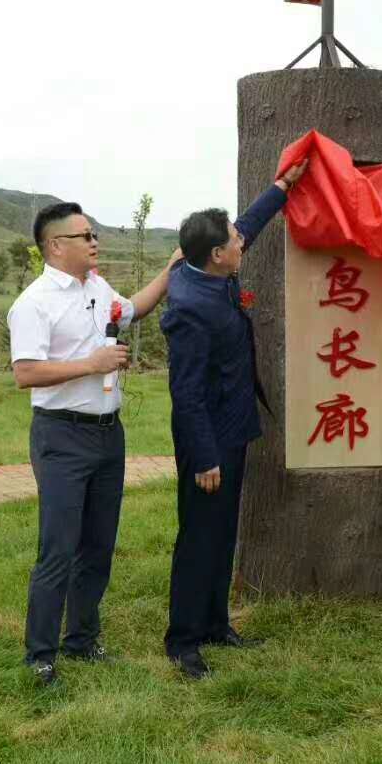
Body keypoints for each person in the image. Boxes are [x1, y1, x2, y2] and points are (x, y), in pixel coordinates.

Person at [9, 201, 181, 686]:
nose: (94, 242)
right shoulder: (34, 303)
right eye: (85, 236)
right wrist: (92, 364)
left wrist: (170, 270)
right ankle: (40, 656)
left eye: (94, 234)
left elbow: (134, 309)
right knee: (58, 548)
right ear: (55, 245)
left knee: (99, 545)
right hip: (61, 435)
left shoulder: (97, 288)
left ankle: (82, 641)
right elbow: (26, 373)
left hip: (108, 434)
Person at [160, 161, 308, 679]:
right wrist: (205, 457)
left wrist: (282, 187)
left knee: (223, 532)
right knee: (199, 537)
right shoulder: (189, 308)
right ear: (217, 255)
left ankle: (215, 624)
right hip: (208, 441)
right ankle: (182, 641)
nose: (241, 241)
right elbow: (186, 393)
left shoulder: (209, 267)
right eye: (233, 241)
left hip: (233, 427)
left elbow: (248, 224)